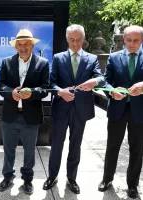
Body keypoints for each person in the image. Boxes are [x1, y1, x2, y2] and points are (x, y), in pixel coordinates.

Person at [43, 24, 104, 194]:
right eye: (72, 40)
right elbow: (51, 82)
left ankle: (72, 178)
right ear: (67, 39)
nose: (75, 43)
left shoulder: (92, 59)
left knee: (75, 145)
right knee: (56, 145)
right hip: (61, 108)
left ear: (83, 39)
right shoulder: (58, 58)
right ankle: (52, 176)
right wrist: (60, 92)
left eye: (78, 40)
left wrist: (95, 81)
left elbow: (101, 77)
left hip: (81, 110)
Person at [0, 29, 50, 195]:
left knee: (29, 150)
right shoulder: (6, 62)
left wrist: (32, 92)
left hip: (30, 116)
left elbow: (45, 89)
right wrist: (11, 93)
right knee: (8, 149)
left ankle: (27, 179)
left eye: (26, 43)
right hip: (10, 115)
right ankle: (7, 176)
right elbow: (0, 86)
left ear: (32, 45)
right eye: (20, 44)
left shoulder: (43, 63)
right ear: (16, 46)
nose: (23, 47)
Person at [98, 25, 143, 199]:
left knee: (137, 149)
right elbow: (105, 80)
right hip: (118, 109)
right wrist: (111, 91)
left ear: (142, 40)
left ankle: (132, 185)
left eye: (136, 40)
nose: (132, 44)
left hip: (140, 111)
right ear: (124, 39)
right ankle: (107, 179)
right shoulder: (114, 58)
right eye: (129, 40)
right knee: (112, 147)